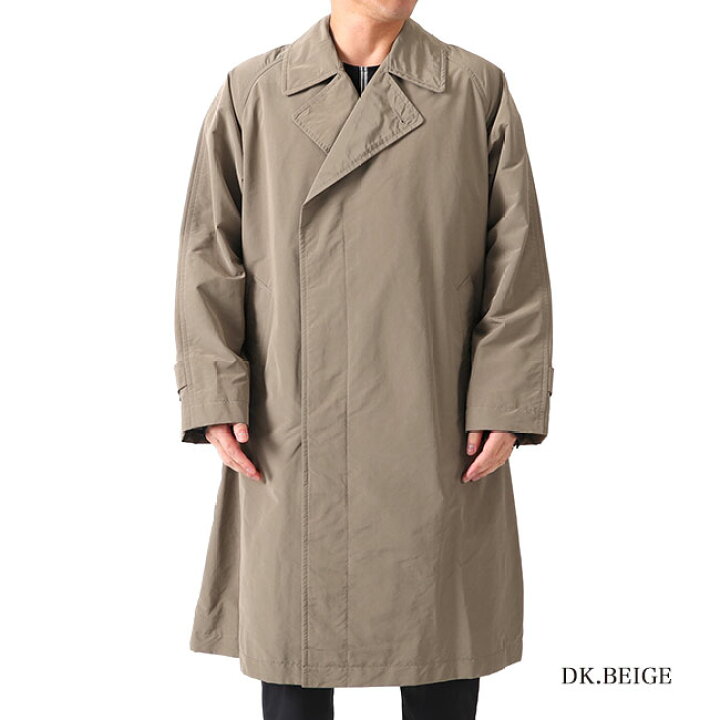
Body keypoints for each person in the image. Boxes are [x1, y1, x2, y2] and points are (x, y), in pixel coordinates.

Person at [173, 1, 554, 718]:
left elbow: (516, 262)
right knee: (294, 652)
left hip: (433, 416)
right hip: (289, 422)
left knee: (439, 648)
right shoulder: (252, 91)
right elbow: (208, 254)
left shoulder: (474, 88)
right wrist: (214, 395)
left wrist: (506, 402)